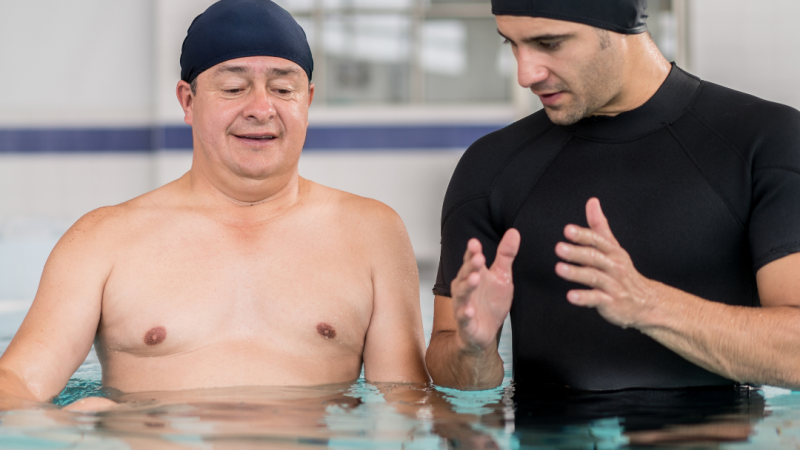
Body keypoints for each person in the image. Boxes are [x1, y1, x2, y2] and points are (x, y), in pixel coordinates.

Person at [0, 0, 428, 410]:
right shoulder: (103, 239)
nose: (262, 108)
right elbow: (16, 385)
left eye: (283, 88)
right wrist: (64, 426)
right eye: (233, 88)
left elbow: (404, 404)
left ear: (308, 101)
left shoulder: (373, 232)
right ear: (188, 101)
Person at [426, 0, 800, 392]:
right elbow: (453, 373)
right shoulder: (490, 167)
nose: (525, 74)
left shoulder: (763, 142)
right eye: (511, 44)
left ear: (621, 25)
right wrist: (473, 351)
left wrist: (648, 305)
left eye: (550, 44)